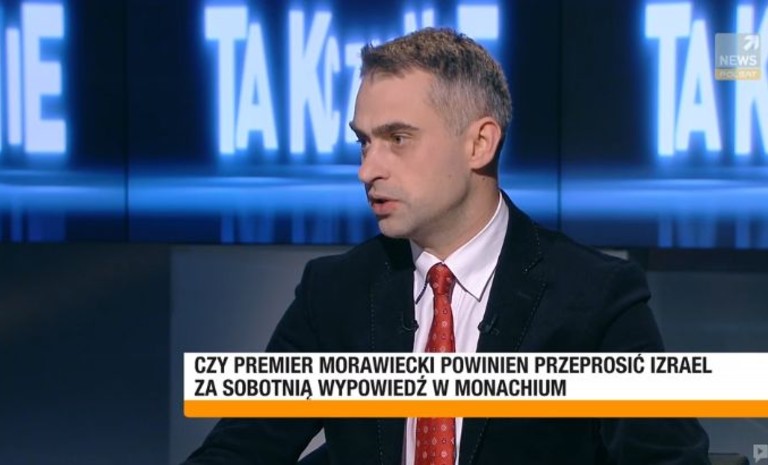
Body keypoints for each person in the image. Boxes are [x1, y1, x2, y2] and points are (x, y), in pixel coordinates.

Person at [183, 27, 710, 464]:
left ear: (479, 143)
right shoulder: (335, 291)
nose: (367, 170)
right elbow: (239, 449)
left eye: (398, 139)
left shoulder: (595, 296)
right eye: (364, 142)